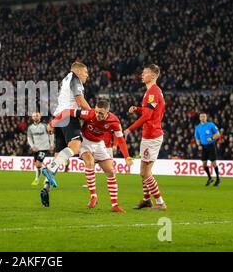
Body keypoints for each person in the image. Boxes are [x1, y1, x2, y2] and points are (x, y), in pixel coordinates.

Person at [50, 99, 133, 212]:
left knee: (111, 171)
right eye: (97, 111)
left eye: (101, 113)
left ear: (107, 113)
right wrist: (52, 123)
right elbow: (68, 111)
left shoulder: (114, 122)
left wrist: (127, 156)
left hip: (99, 144)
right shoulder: (90, 114)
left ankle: (115, 205)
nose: (97, 115)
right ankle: (93, 196)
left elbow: (121, 139)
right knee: (89, 162)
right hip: (85, 142)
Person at [40, 61, 91, 207]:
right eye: (86, 72)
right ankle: (49, 170)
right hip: (69, 118)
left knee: (58, 156)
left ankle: (46, 188)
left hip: (60, 119)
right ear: (79, 71)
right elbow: (80, 101)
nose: (87, 75)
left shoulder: (66, 79)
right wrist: (93, 113)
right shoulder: (75, 79)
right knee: (75, 147)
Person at [124, 64, 167, 211]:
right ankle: (147, 200)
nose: (142, 75)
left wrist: (130, 128)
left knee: (145, 172)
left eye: (145, 73)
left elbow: (147, 116)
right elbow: (148, 111)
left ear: (154, 75)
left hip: (152, 135)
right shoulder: (152, 91)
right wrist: (137, 109)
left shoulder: (153, 92)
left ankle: (160, 203)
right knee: (143, 171)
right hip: (149, 135)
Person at [27, 112, 54, 186]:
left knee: (38, 164)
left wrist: (51, 144)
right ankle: (37, 179)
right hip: (36, 148)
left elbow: (51, 134)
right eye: (34, 116)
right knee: (37, 166)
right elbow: (29, 138)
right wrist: (32, 146)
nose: (35, 117)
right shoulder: (30, 128)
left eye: (37, 116)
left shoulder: (45, 126)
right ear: (32, 118)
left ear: (40, 117)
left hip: (44, 148)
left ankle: (47, 175)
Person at [194, 113, 221, 186]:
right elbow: (197, 138)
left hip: (211, 146)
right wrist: (198, 144)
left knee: (214, 163)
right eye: (201, 116)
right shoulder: (197, 127)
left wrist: (212, 138)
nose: (202, 118)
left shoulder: (211, 125)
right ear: (199, 118)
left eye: (204, 116)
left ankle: (218, 179)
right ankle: (210, 178)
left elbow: (218, 134)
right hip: (203, 147)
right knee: (204, 163)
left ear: (206, 118)